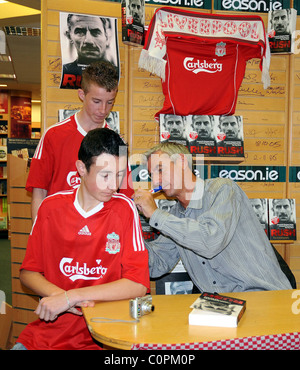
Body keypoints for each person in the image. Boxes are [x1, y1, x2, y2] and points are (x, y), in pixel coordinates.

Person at [13, 128, 149, 350]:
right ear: (81, 169)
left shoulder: (125, 209)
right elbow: (28, 273)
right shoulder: (50, 207)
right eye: (105, 175)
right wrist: (62, 298)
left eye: (119, 175)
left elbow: (138, 284)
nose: (113, 185)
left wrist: (71, 298)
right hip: (46, 336)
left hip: (102, 337)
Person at [133, 142, 294, 293]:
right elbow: (158, 263)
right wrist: (125, 227)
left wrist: (155, 214)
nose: (155, 181)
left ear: (182, 162)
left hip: (262, 298)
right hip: (219, 305)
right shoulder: (175, 215)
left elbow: (210, 241)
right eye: (151, 175)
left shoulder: (223, 189)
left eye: (160, 170)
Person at [26, 60, 133, 222]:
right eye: (96, 101)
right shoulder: (53, 136)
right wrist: (39, 233)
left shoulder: (118, 144)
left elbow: (125, 196)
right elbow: (39, 192)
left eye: (110, 102)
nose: (103, 110)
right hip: (60, 229)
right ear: (82, 95)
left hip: (99, 234)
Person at [60, 14, 119, 89]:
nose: (88, 40)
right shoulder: (66, 71)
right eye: (80, 32)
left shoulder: (118, 74)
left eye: (96, 32)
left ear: (107, 37)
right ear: (69, 37)